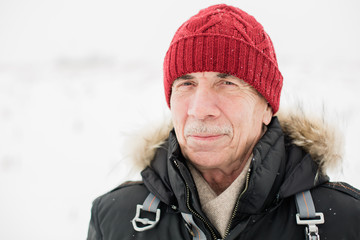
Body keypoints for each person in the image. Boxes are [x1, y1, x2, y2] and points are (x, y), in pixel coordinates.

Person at [87, 4, 360, 240]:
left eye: (227, 82)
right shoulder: (115, 219)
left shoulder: (345, 222)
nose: (200, 108)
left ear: (267, 108)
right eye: (186, 84)